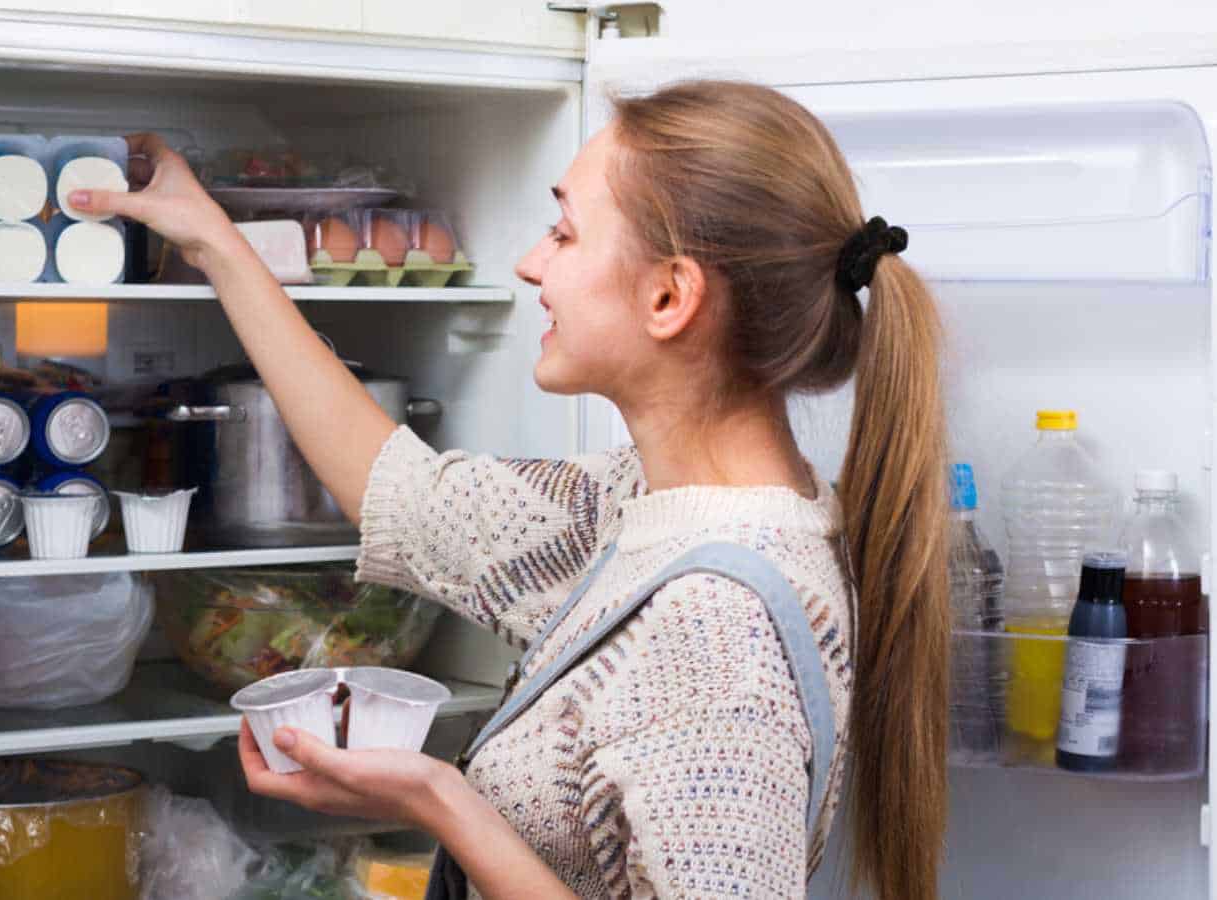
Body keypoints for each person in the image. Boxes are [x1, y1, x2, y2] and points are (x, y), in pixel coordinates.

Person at [71, 79, 949, 900]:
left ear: (670, 297)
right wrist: (214, 240)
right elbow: (405, 496)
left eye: (564, 234)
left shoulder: (717, 627)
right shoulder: (638, 507)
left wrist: (440, 801)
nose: (531, 265)